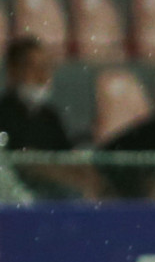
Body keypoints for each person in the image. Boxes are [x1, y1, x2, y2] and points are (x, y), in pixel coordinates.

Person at [0, 36, 93, 197]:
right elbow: (21, 162)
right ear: (14, 71)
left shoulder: (50, 116)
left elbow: (68, 158)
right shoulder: (3, 112)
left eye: (45, 67)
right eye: (34, 68)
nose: (42, 76)